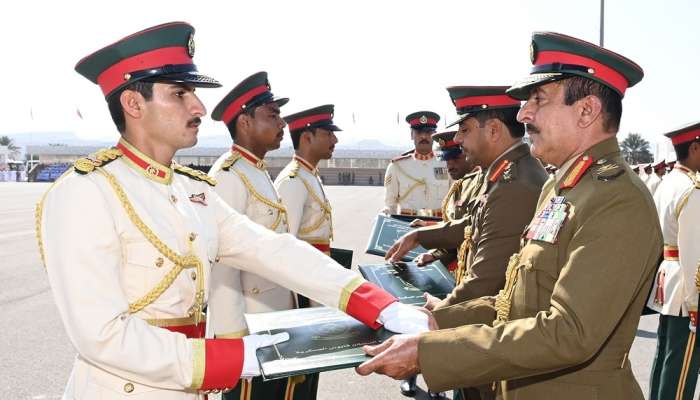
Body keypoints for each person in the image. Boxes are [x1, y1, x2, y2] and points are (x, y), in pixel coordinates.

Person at [35, 21, 428, 400]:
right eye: (179, 93)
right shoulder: (85, 192)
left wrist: (380, 305)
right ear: (133, 103)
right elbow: (102, 335)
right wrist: (240, 356)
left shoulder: (191, 190)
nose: (199, 106)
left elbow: (271, 249)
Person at [357, 31, 661, 400]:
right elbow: (515, 302)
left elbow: (569, 332)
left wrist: (430, 353)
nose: (522, 113)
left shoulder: (616, 199)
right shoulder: (561, 187)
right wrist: (438, 320)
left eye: (538, 99)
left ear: (587, 110)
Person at [385, 86, 548, 400]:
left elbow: (485, 280)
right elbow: (474, 225)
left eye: (464, 129)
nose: (457, 140)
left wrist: (431, 319)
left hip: (492, 330)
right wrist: (421, 235)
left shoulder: (512, 184)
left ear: (494, 130)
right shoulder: (505, 175)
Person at [206, 71, 317, 399]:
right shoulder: (229, 176)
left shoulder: (255, 171)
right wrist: (233, 344)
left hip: (274, 323)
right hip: (250, 333)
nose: (283, 124)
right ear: (244, 122)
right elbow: (221, 267)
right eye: (273, 115)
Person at [646, 121, 700, 400]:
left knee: (666, 356)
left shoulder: (668, 182)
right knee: (682, 366)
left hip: (669, 278)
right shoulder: (692, 189)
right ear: (694, 147)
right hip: (685, 287)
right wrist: (695, 304)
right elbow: (693, 252)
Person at [411, 130, 480, 276]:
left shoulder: (480, 185)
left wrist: (421, 236)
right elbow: (455, 230)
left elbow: (466, 231)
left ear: (468, 153)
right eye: (446, 159)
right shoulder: (460, 185)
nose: (450, 165)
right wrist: (435, 255)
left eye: (455, 158)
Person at [275, 104, 340, 257]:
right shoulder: (293, 181)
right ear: (307, 138)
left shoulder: (309, 175)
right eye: (328, 133)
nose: (335, 140)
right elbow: (285, 246)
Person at [383, 111, 449, 218]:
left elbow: (454, 199)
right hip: (407, 224)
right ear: (411, 135)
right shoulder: (397, 166)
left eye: (428, 132)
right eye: (418, 132)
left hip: (438, 226)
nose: (423, 136)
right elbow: (391, 204)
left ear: (434, 135)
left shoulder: (446, 164)